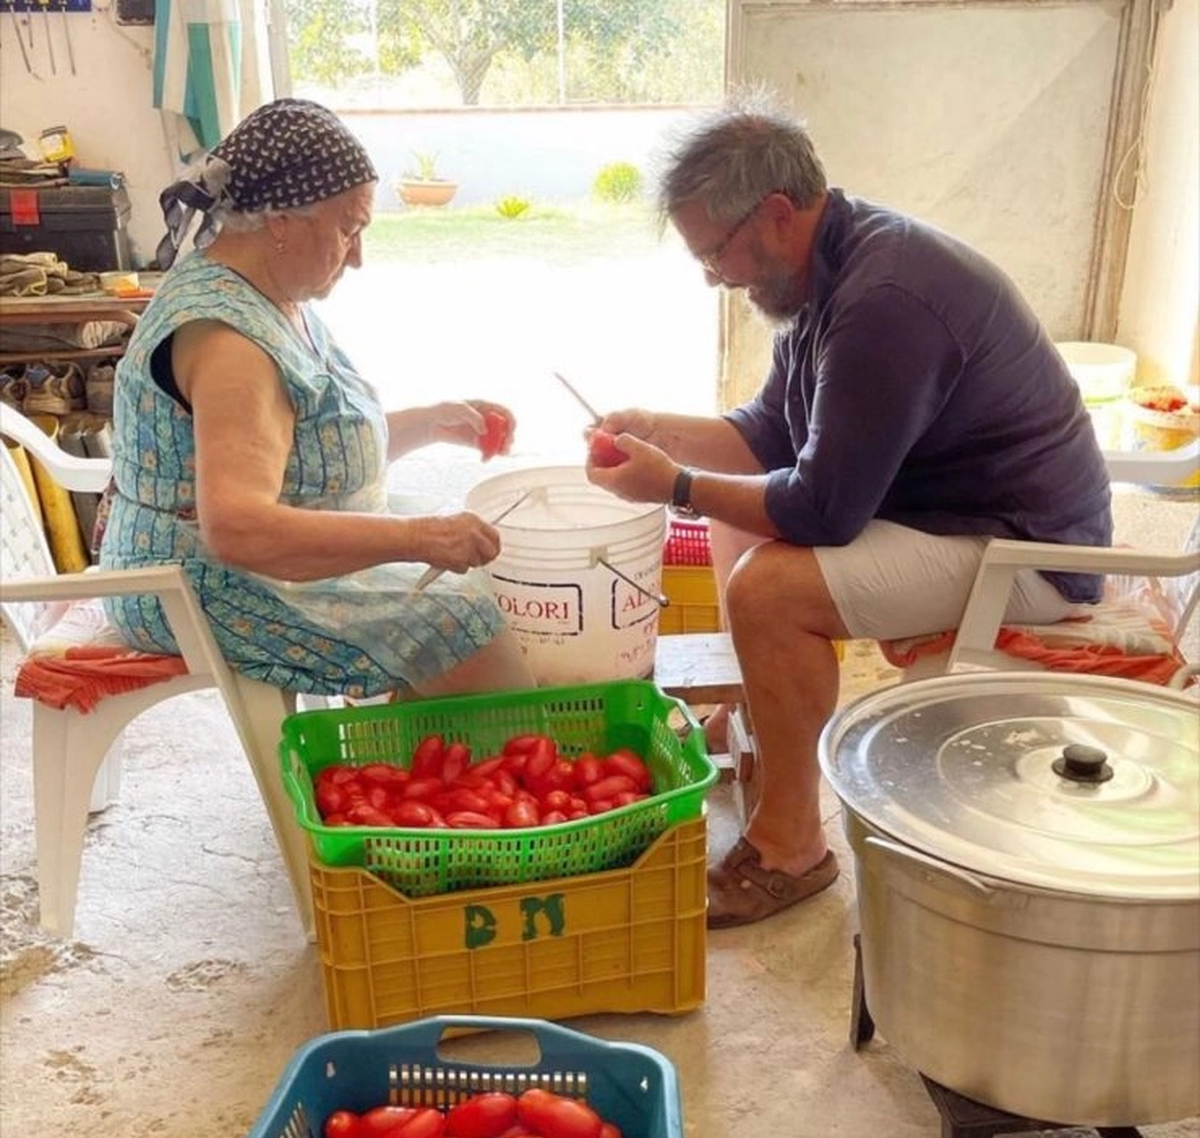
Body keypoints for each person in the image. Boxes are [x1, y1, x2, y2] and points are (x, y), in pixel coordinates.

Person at [584, 95, 1112, 929]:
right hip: (947, 507)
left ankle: (794, 844)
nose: (713, 275)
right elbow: (767, 434)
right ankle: (764, 713)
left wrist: (673, 485)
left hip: (1028, 550)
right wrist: (658, 431)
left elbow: (823, 508)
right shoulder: (822, 268)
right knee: (737, 518)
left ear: (777, 214)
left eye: (713, 253)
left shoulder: (884, 302)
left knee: (768, 588)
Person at [99, 98, 533, 702]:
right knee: (456, 618)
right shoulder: (229, 343)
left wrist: (432, 422)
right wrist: (418, 538)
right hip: (198, 580)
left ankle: (418, 767)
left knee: (458, 570)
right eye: (349, 229)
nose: (358, 256)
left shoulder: (271, 291)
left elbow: (306, 445)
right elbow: (239, 530)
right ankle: (473, 774)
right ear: (280, 221)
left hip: (232, 559)